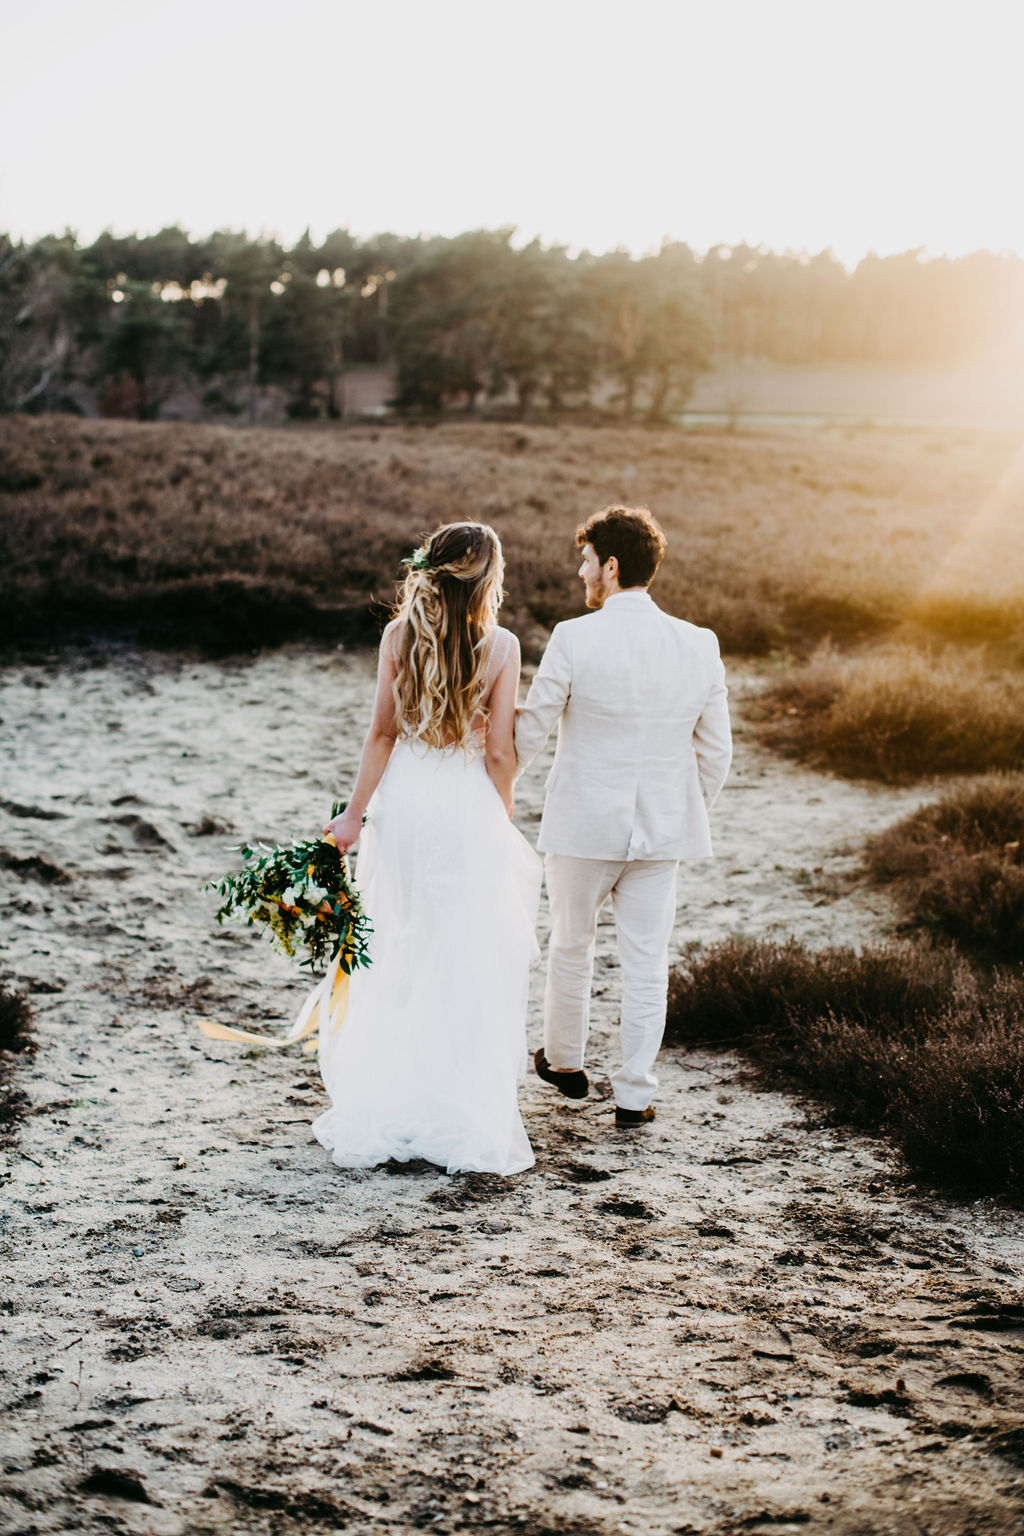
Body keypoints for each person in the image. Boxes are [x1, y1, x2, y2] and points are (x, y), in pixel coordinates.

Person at [316, 522, 541, 1176]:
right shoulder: (501, 646)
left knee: (400, 941)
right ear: (488, 579)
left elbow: (381, 735)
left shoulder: (398, 636)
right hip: (466, 804)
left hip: (406, 804)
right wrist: (503, 808)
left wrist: (353, 815)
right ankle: (457, 1105)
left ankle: (392, 1095)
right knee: (464, 948)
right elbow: (498, 752)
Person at [514, 505, 732, 1129]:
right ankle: (634, 1096)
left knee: (571, 944)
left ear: (611, 566)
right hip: (662, 833)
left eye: (586, 561)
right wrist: (681, 811)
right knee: (646, 964)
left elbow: (533, 729)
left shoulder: (573, 637)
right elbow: (716, 751)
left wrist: (496, 780)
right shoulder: (699, 642)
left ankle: (564, 1062)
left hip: (583, 825)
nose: (581, 573)